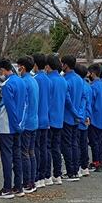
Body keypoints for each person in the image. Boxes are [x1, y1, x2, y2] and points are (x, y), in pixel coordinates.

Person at [0, 59, 25, 199]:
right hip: (19, 124)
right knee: (17, 155)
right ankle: (18, 186)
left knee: (6, 157)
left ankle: (7, 188)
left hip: (7, 126)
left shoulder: (7, 85)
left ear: (2, 70)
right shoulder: (21, 82)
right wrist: (20, 124)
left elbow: (9, 108)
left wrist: (14, 124)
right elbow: (25, 104)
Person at [18, 56, 39, 193]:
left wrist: (20, 124)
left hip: (26, 123)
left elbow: (24, 105)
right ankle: (32, 181)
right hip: (34, 121)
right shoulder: (34, 80)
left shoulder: (24, 82)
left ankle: (27, 182)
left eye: (18, 66)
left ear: (23, 67)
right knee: (31, 152)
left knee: (24, 153)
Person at [61, 55, 83, 182]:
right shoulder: (80, 79)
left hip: (68, 116)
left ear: (66, 65)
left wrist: (75, 113)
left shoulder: (66, 80)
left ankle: (70, 171)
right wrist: (79, 114)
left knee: (67, 145)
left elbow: (67, 101)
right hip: (77, 117)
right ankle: (75, 169)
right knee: (75, 143)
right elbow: (83, 98)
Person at [46, 55, 66, 186]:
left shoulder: (49, 80)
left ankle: (47, 175)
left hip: (49, 119)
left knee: (47, 148)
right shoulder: (63, 80)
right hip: (60, 118)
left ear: (48, 66)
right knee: (56, 148)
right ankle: (57, 174)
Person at [32, 54, 51, 188]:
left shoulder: (36, 79)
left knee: (36, 149)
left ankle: (37, 176)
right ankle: (45, 175)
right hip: (46, 117)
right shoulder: (48, 79)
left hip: (37, 118)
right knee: (45, 148)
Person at [87, 64, 102, 172]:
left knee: (94, 142)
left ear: (93, 73)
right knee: (100, 141)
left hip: (94, 118)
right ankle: (100, 161)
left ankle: (97, 162)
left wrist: (87, 116)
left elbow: (90, 104)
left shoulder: (93, 87)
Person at [74, 64, 91, 177]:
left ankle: (79, 166)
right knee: (83, 143)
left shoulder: (79, 85)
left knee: (77, 144)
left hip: (79, 118)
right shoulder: (88, 85)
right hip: (85, 117)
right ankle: (84, 166)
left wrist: (79, 117)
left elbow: (82, 103)